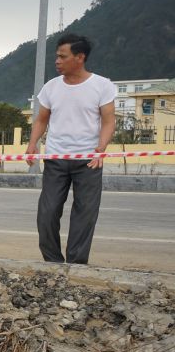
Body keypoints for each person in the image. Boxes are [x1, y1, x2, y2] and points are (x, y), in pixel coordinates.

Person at [26, 33, 116, 264]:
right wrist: (32, 144)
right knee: (47, 214)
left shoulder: (101, 86)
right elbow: (41, 119)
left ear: (80, 57)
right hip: (55, 159)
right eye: (56, 56)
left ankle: (76, 266)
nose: (57, 61)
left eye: (62, 56)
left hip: (88, 161)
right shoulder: (51, 87)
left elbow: (108, 121)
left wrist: (100, 149)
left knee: (84, 215)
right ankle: (53, 263)